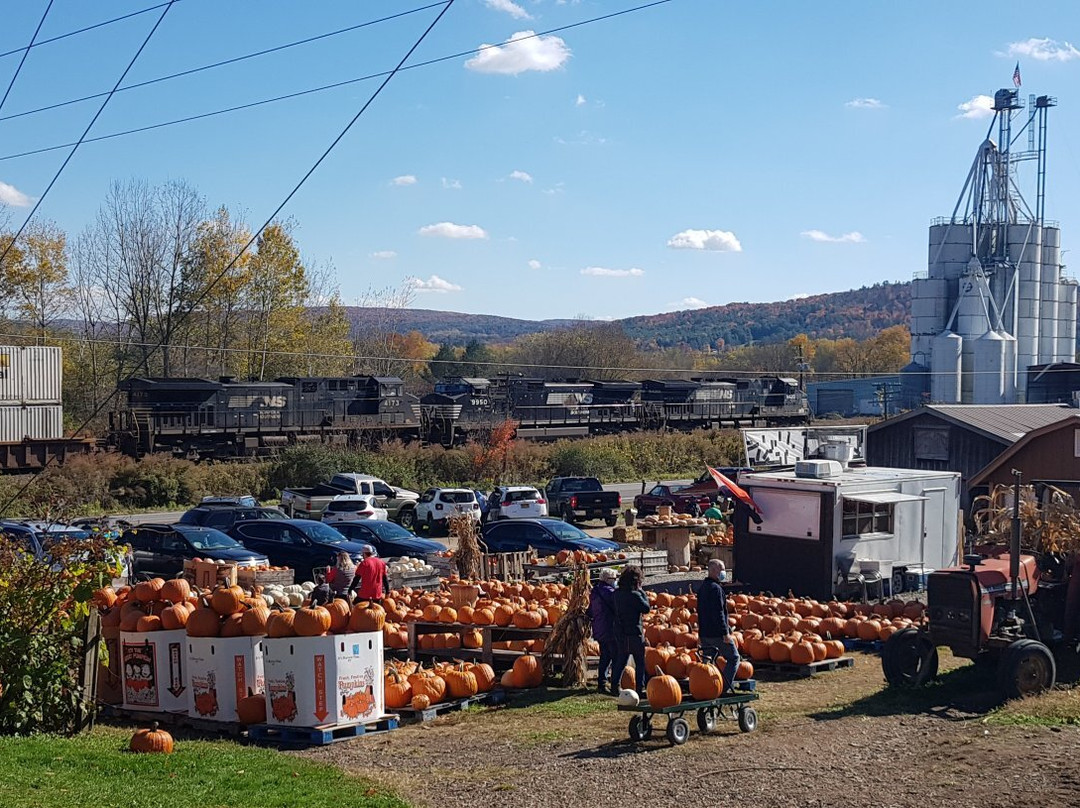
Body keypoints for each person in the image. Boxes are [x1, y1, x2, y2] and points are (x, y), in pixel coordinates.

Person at [697, 559, 740, 694]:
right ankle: (722, 688)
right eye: (722, 569)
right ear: (714, 570)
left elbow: (700, 612)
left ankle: (705, 688)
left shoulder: (703, 588)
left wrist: (700, 633)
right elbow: (719, 612)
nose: (724, 572)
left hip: (705, 633)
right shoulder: (716, 589)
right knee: (734, 658)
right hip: (717, 634)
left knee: (707, 663)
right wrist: (725, 633)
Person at [613, 565, 650, 694]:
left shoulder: (617, 594)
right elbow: (646, 608)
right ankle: (640, 688)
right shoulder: (635, 595)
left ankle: (614, 686)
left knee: (621, 659)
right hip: (634, 631)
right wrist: (642, 591)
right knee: (640, 661)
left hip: (620, 630)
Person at [587, 567, 618, 694]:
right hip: (610, 628)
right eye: (615, 579)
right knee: (616, 656)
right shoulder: (611, 593)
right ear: (609, 579)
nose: (616, 581)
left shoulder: (594, 592)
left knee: (604, 656)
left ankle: (602, 682)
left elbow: (590, 611)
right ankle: (614, 683)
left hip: (599, 629)